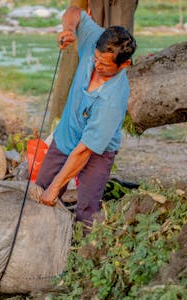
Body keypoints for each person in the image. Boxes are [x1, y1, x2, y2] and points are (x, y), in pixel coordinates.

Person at [36, 5, 137, 232]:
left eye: (105, 65)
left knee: (87, 210)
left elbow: (83, 151)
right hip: (65, 137)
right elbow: (75, 12)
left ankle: (82, 251)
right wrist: (69, 29)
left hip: (95, 153)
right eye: (96, 59)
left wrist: (56, 188)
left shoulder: (112, 99)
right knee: (39, 190)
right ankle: (42, 235)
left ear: (124, 65)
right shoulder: (96, 40)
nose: (97, 66)